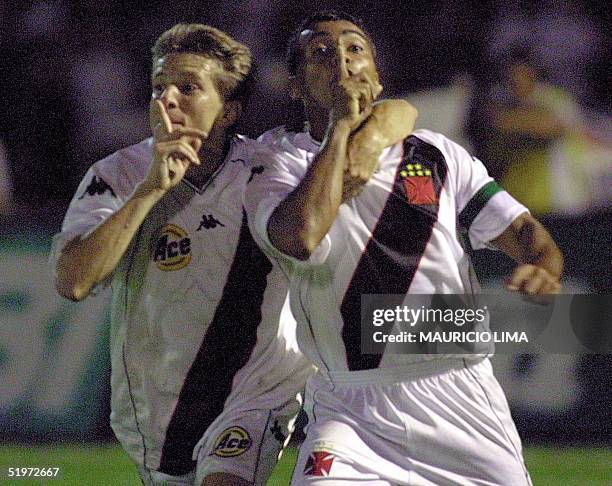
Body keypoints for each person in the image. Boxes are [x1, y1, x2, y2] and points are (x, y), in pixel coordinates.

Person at [51, 22, 416, 486]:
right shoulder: (117, 175)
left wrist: (385, 121)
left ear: (228, 112)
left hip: (259, 391)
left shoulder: (267, 165)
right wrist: (149, 192)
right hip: (154, 404)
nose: (168, 100)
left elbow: (396, 113)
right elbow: (74, 282)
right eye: (159, 87)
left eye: (188, 88)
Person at [244, 11, 563, 485]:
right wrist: (342, 130)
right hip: (349, 407)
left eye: (355, 49)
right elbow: (301, 237)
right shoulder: (273, 162)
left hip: (461, 397)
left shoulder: (437, 154)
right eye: (321, 53)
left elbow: (527, 235)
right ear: (295, 86)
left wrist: (542, 268)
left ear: (376, 76)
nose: (342, 61)